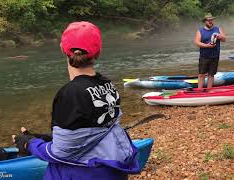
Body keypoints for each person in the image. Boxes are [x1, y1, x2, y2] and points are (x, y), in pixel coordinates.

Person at [12, 21, 140, 180]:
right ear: (98, 52)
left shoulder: (69, 94)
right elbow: (91, 131)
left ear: (62, 48)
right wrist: (45, 137)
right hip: (111, 170)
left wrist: (29, 143)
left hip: (82, 173)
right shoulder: (108, 85)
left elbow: (59, 153)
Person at [194, 13, 226, 89]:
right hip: (204, 56)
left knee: (211, 74)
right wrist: (207, 46)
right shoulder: (200, 31)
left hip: (215, 56)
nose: (210, 21)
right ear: (205, 21)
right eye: (208, 20)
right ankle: (199, 90)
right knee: (201, 74)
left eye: (211, 20)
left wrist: (220, 36)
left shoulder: (217, 29)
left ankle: (209, 90)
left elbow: (224, 39)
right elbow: (197, 42)